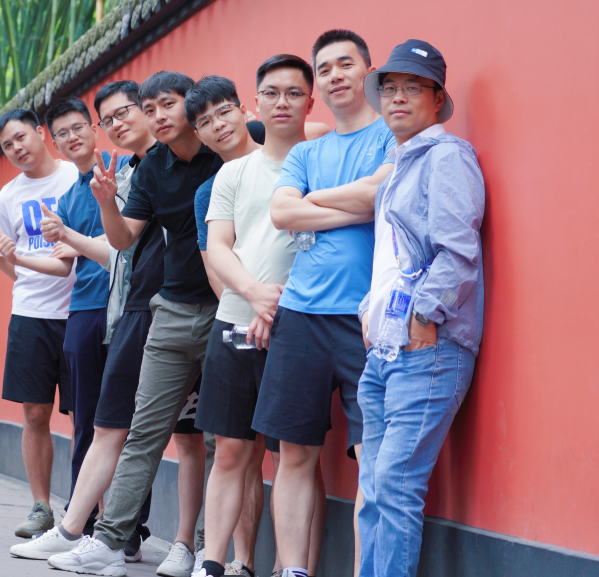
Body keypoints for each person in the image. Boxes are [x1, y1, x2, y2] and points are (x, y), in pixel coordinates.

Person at [252, 30, 397, 577]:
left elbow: (380, 194)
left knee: (371, 459)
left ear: (368, 72)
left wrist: (313, 200)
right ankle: (294, 570)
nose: (335, 75)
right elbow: (282, 214)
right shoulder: (307, 152)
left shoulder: (391, 135)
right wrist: (356, 206)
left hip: (369, 319)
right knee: (293, 454)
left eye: (345, 64)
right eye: (325, 69)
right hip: (301, 318)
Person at [7, 81, 158, 563]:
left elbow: (120, 248)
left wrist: (70, 237)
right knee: (88, 420)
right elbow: (64, 263)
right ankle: (83, 521)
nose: (72, 138)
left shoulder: (126, 169)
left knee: (126, 422)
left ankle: (128, 529)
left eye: (79, 128)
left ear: (95, 131)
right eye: (63, 133)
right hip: (83, 311)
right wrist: (19, 259)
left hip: (127, 307)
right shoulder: (70, 196)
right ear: (54, 141)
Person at [187, 58, 322, 577]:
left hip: (300, 326)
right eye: (271, 93)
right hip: (234, 323)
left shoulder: (322, 160)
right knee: (229, 452)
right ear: (256, 103)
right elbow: (219, 247)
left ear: (308, 100)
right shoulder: (232, 174)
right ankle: (213, 564)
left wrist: (280, 302)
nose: (281, 102)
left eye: (293, 93)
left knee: (295, 455)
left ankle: (293, 569)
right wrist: (254, 293)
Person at [356, 40, 484, 577]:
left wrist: (426, 315)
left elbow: (458, 250)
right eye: (389, 88)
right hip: (385, 348)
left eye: (413, 87)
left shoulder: (447, 156)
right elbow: (392, 256)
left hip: (428, 346)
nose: (398, 98)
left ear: (437, 99)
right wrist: (370, 313)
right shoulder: (399, 166)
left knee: (394, 483)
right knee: (373, 487)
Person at [0, 108, 77, 538]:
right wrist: (30, 279)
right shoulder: (5, 198)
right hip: (30, 316)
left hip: (82, 313)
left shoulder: (75, 176)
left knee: (87, 415)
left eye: (21, 137)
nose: (16, 148)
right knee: (35, 413)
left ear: (41, 133)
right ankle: (41, 507)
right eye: (7, 145)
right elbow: (3, 259)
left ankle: (87, 510)